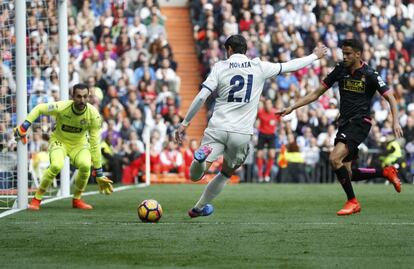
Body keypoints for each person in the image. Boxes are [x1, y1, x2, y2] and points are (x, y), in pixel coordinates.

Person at [175, 34, 327, 218]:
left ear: (228, 50)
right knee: (226, 172)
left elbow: (201, 97)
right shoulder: (258, 66)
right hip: (241, 132)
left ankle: (200, 159)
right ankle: (198, 208)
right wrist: (314, 56)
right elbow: (289, 66)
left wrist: (185, 123)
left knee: (195, 176)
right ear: (245, 50)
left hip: (218, 128)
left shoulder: (220, 67)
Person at [277, 39, 404, 216]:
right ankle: (386, 172)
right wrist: (292, 107)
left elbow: (391, 97)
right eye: (343, 53)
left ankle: (353, 201)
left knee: (334, 158)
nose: (344, 57)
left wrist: (395, 120)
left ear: (358, 54)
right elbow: (316, 93)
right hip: (345, 122)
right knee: (348, 173)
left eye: (348, 54)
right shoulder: (340, 70)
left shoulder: (370, 74)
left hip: (360, 122)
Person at [14, 83, 113, 210]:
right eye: (78, 96)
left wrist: (99, 173)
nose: (82, 100)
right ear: (72, 97)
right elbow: (39, 108)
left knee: (86, 165)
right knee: (56, 165)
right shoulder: (62, 106)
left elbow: (94, 144)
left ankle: (77, 199)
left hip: (79, 145)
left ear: (88, 97)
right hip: (59, 142)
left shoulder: (94, 115)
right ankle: (37, 199)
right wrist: (24, 126)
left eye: (85, 97)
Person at [256, 98, 280, 182]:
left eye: (269, 104)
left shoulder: (275, 113)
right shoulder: (260, 112)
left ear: (271, 105)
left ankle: (266, 174)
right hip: (262, 134)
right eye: (266, 104)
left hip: (271, 135)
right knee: (259, 155)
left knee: (272, 155)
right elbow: (256, 121)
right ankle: (260, 175)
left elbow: (279, 122)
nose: (268, 105)